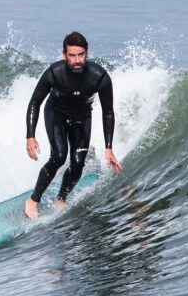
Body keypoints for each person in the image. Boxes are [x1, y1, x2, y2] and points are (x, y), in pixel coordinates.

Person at [24, 32, 122, 219]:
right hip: (56, 113)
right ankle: (33, 200)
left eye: (81, 55)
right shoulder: (55, 72)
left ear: (86, 53)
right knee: (59, 156)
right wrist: (30, 136)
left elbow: (108, 112)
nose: (77, 60)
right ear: (64, 55)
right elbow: (35, 103)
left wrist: (109, 148)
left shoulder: (99, 77)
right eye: (72, 55)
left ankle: (60, 199)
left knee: (78, 164)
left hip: (82, 117)